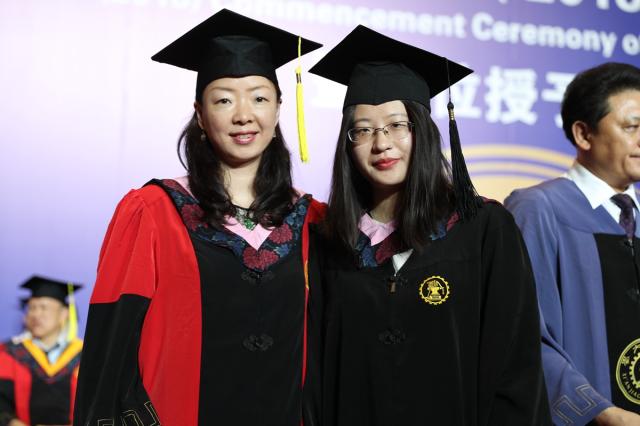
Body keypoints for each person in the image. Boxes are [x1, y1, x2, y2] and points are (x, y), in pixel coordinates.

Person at [73, 9, 324, 425]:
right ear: (201, 114)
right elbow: (111, 347)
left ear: (279, 109)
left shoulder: (313, 220)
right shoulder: (153, 211)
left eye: (259, 98)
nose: (244, 114)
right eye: (224, 99)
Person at [308, 25, 551, 426]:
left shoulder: (483, 229)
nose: (381, 143)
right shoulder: (332, 244)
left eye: (397, 125)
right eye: (363, 130)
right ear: (347, 146)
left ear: (423, 130)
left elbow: (516, 368)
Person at [504, 62, 640, 425]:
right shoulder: (538, 209)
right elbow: (523, 333)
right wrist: (601, 413)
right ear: (583, 134)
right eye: (631, 127)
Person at [0, 276, 83, 426]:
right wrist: (10, 422)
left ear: (64, 314)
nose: (36, 314)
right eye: (32, 308)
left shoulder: (84, 355)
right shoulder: (9, 353)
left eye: (44, 307)